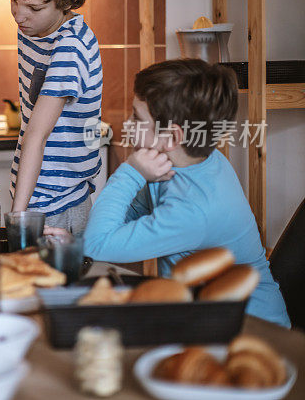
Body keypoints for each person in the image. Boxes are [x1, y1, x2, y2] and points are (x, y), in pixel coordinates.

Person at [84, 59, 290, 327]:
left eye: (137, 117)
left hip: (254, 330)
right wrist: (72, 241)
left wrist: (130, 172)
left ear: (172, 137)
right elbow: (129, 214)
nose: (127, 123)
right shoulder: (189, 161)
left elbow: (97, 246)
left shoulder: (194, 210)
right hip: (208, 318)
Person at [2, 0, 102, 236]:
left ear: (67, 0)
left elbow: (37, 134)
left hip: (58, 206)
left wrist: (19, 218)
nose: (19, 16)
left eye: (33, 8)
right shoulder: (35, 29)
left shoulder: (69, 49)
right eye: (14, 2)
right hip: (36, 196)